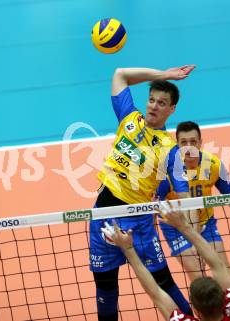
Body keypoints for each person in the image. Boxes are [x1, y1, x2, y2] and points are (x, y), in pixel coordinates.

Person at [90, 65, 196, 321]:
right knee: (105, 286)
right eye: (151, 100)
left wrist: (187, 223)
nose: (153, 106)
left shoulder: (170, 150)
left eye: (162, 103)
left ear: (171, 110)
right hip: (103, 216)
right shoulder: (129, 118)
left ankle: (190, 318)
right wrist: (165, 75)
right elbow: (119, 74)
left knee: (162, 282)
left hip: (140, 223)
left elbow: (184, 194)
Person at [155, 121, 230, 320]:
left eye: (193, 142)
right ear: (176, 144)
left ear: (201, 143)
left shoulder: (213, 165)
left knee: (227, 272)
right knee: (198, 280)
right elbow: (153, 208)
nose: (188, 147)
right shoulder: (166, 174)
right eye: (183, 142)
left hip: (206, 225)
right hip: (176, 230)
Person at [102, 201, 230, 321]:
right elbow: (217, 265)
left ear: (197, 311)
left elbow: (156, 293)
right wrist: (184, 226)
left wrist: (128, 249)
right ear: (223, 299)